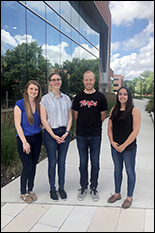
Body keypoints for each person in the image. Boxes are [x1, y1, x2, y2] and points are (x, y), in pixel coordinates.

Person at [72, 70, 108, 202]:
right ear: (83, 81)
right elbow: (76, 115)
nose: (88, 82)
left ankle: (94, 187)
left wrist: (93, 126)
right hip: (81, 135)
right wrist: (83, 126)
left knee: (95, 164)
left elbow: (102, 116)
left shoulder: (101, 97)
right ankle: (83, 187)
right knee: (82, 164)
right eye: (86, 80)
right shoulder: (78, 97)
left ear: (94, 81)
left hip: (95, 136)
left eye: (91, 79)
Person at [40, 72, 72, 201]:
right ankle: (52, 188)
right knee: (52, 162)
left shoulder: (67, 99)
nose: (56, 82)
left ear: (61, 81)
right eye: (53, 80)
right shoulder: (45, 99)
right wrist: (53, 135)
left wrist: (67, 132)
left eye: (58, 79)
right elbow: (43, 119)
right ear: (49, 82)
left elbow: (70, 118)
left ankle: (61, 187)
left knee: (62, 162)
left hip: (64, 133)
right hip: (50, 133)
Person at [107, 86, 141, 208]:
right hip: (115, 147)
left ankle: (129, 197)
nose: (122, 96)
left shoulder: (134, 110)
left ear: (129, 96)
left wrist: (124, 146)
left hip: (129, 148)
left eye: (125, 94)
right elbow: (109, 128)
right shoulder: (113, 110)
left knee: (130, 171)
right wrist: (112, 142)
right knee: (117, 170)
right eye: (120, 94)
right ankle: (117, 194)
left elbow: (135, 131)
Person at [14, 80, 42, 203]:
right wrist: (24, 142)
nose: (33, 91)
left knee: (34, 165)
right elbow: (17, 125)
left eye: (36, 89)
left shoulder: (39, 104)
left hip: (37, 138)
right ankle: (23, 192)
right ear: (26, 90)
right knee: (27, 166)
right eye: (31, 89)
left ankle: (30, 189)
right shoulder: (20, 104)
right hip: (24, 139)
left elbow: (42, 121)